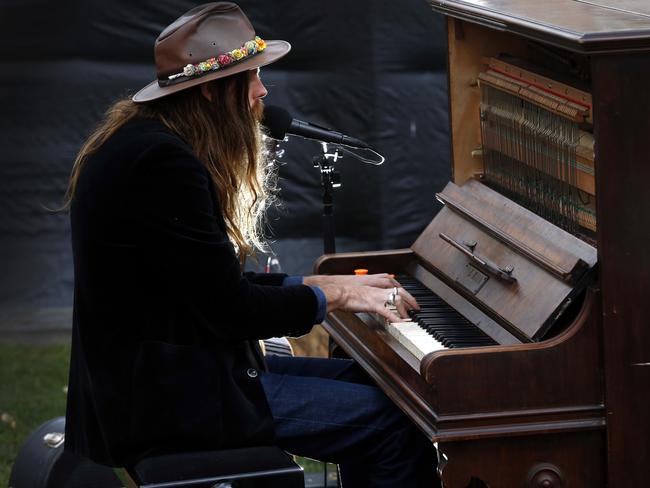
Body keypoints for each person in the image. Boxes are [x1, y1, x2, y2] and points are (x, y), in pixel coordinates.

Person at [63, 3, 439, 486]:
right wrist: (337, 297)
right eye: (252, 78)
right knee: (389, 423)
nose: (262, 92)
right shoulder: (163, 165)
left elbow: (204, 285)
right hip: (168, 399)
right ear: (211, 92)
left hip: (171, 378)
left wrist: (317, 282)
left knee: (383, 392)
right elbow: (230, 310)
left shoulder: (143, 144)